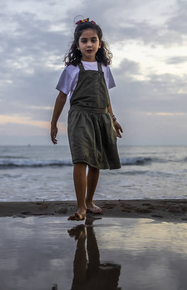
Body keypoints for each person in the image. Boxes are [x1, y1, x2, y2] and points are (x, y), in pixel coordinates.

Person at [50, 18, 123, 221]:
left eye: (93, 40)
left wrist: (113, 119)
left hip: (101, 117)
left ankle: (90, 201)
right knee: (81, 159)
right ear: (77, 44)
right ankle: (81, 206)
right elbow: (62, 97)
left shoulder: (104, 69)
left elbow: (106, 97)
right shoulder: (72, 69)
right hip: (80, 117)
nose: (89, 44)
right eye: (84, 40)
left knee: (95, 162)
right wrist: (53, 123)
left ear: (100, 43)